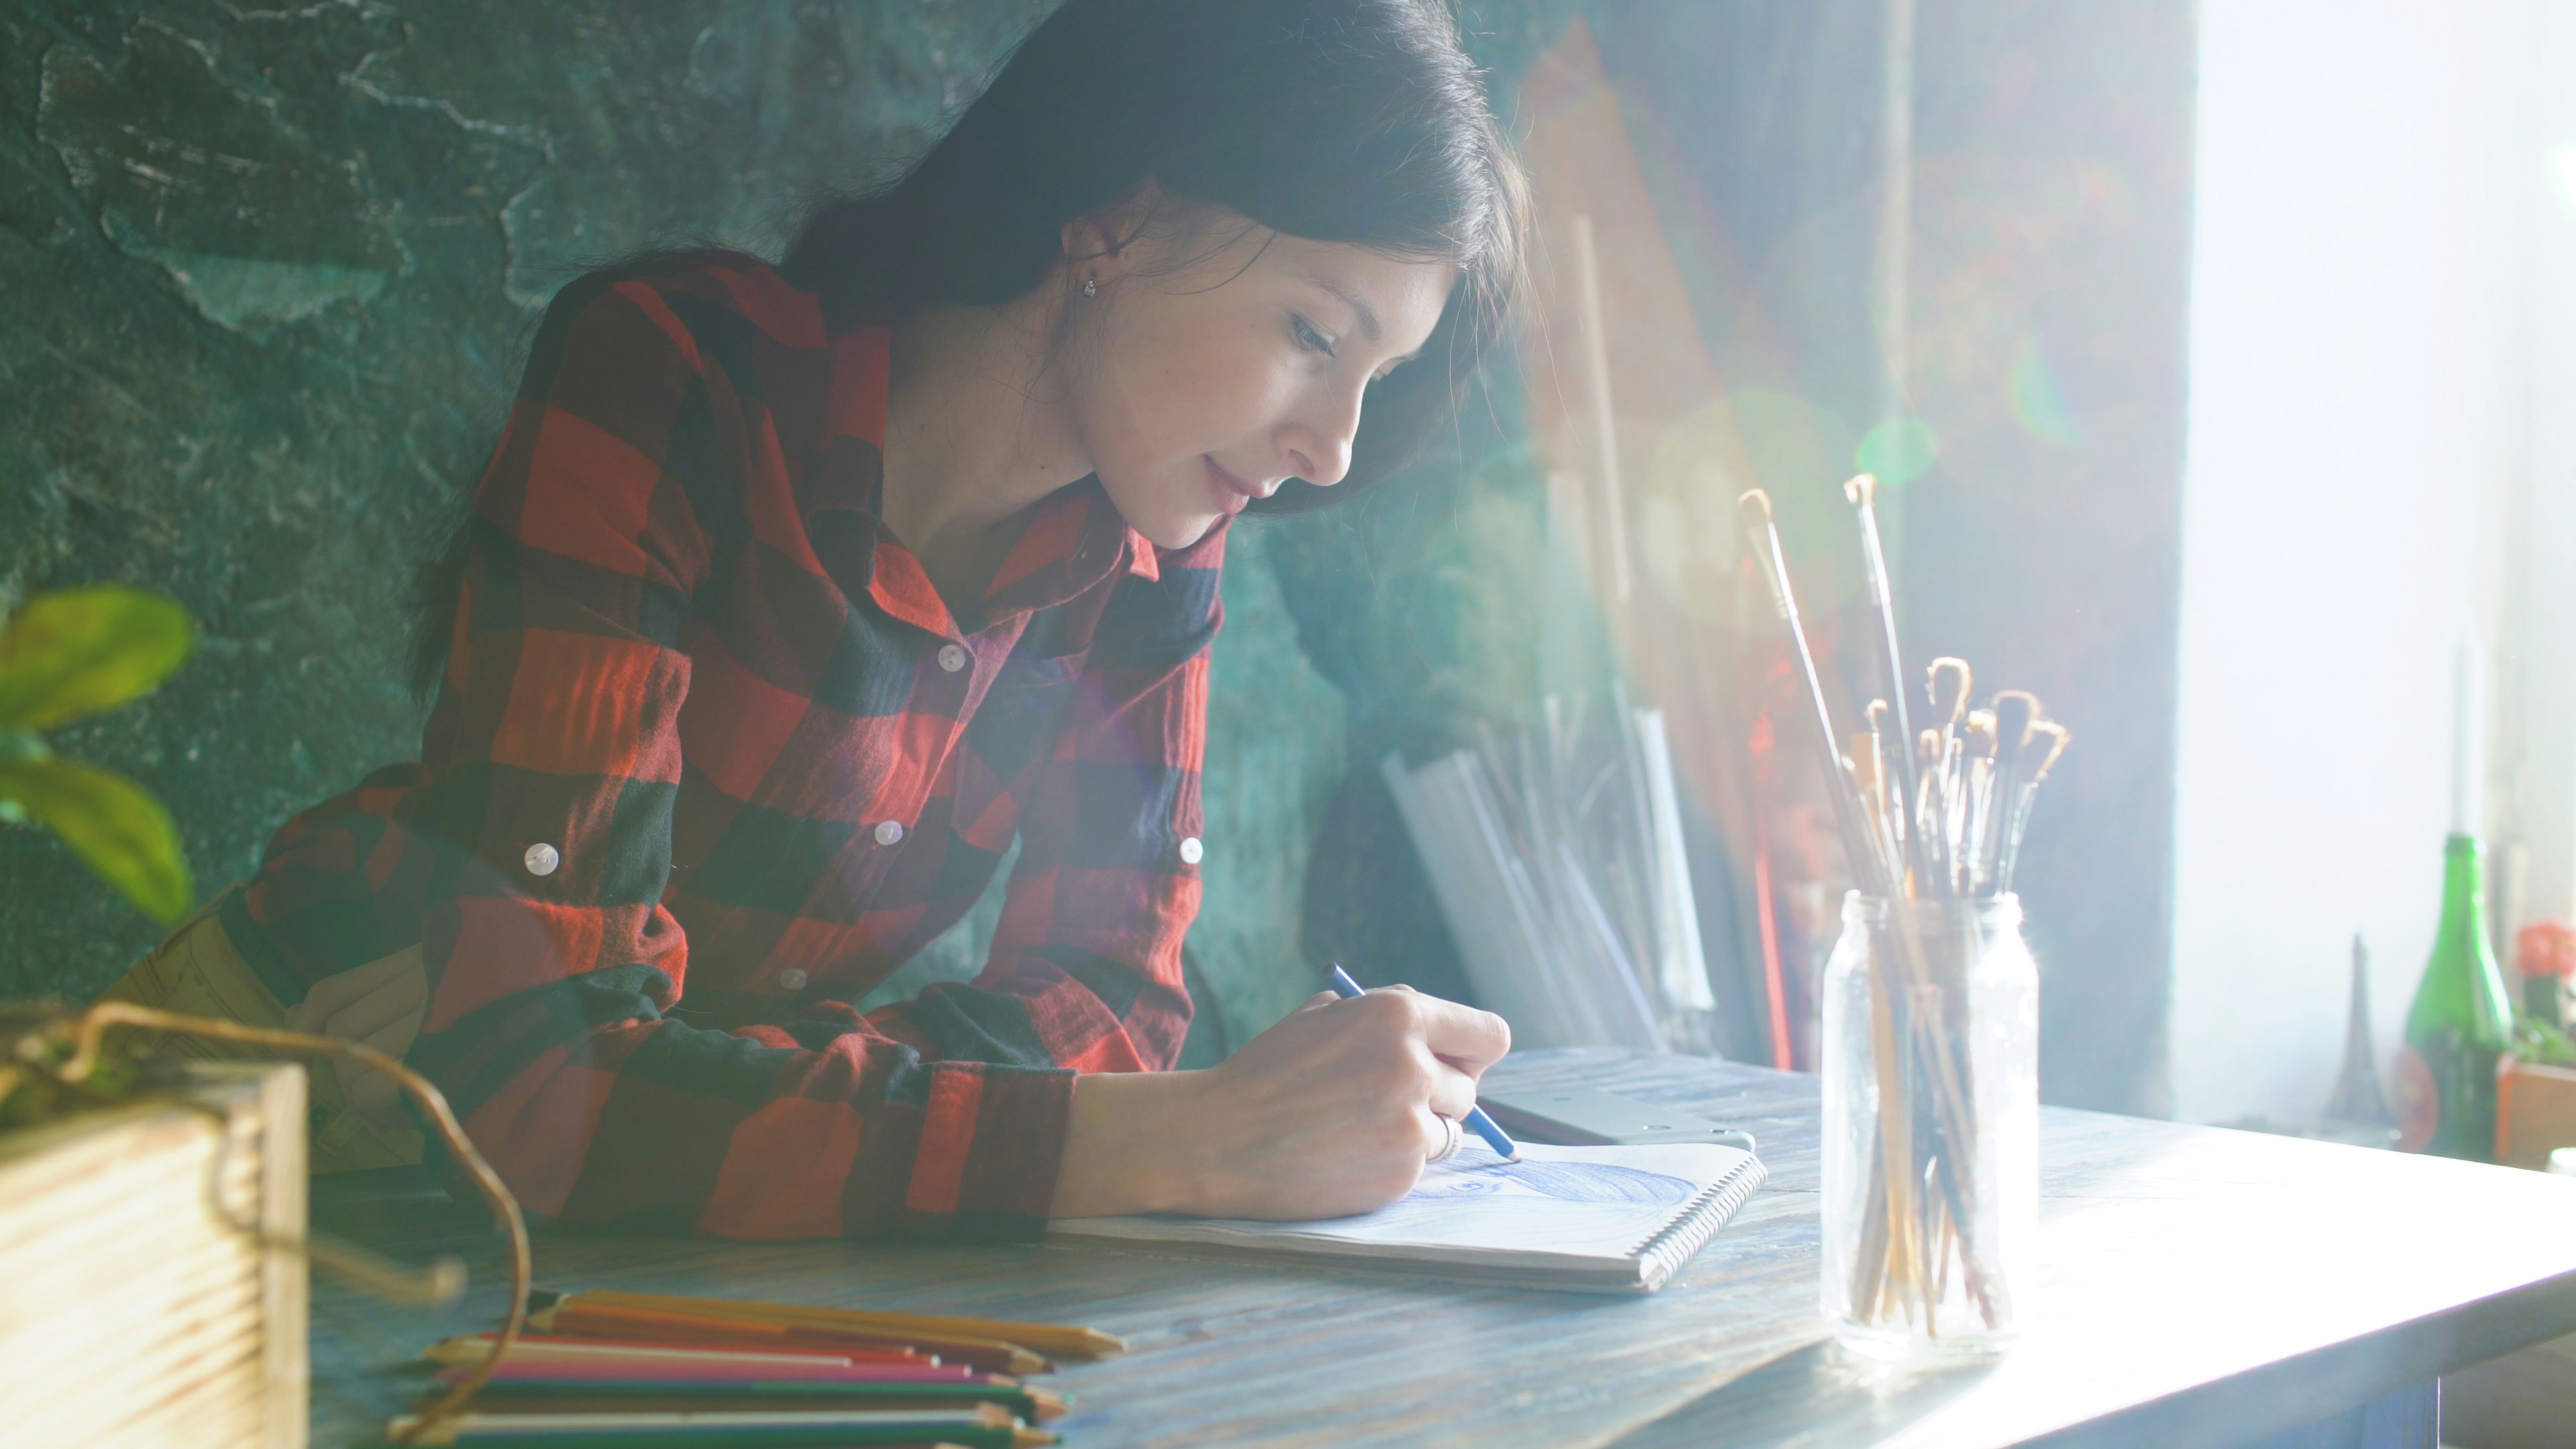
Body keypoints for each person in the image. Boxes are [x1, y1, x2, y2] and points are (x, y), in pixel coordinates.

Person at [102, 0, 1525, 1240]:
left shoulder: (1158, 556)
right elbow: (545, 1088)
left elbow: (1109, 1008)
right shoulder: (677, 378)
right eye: (1314, 334)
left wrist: (683, 1070)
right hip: (267, 1110)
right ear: (1118, 216)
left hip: (643, 1214)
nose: (1335, 449)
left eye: (1375, 377)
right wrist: (1194, 1140)